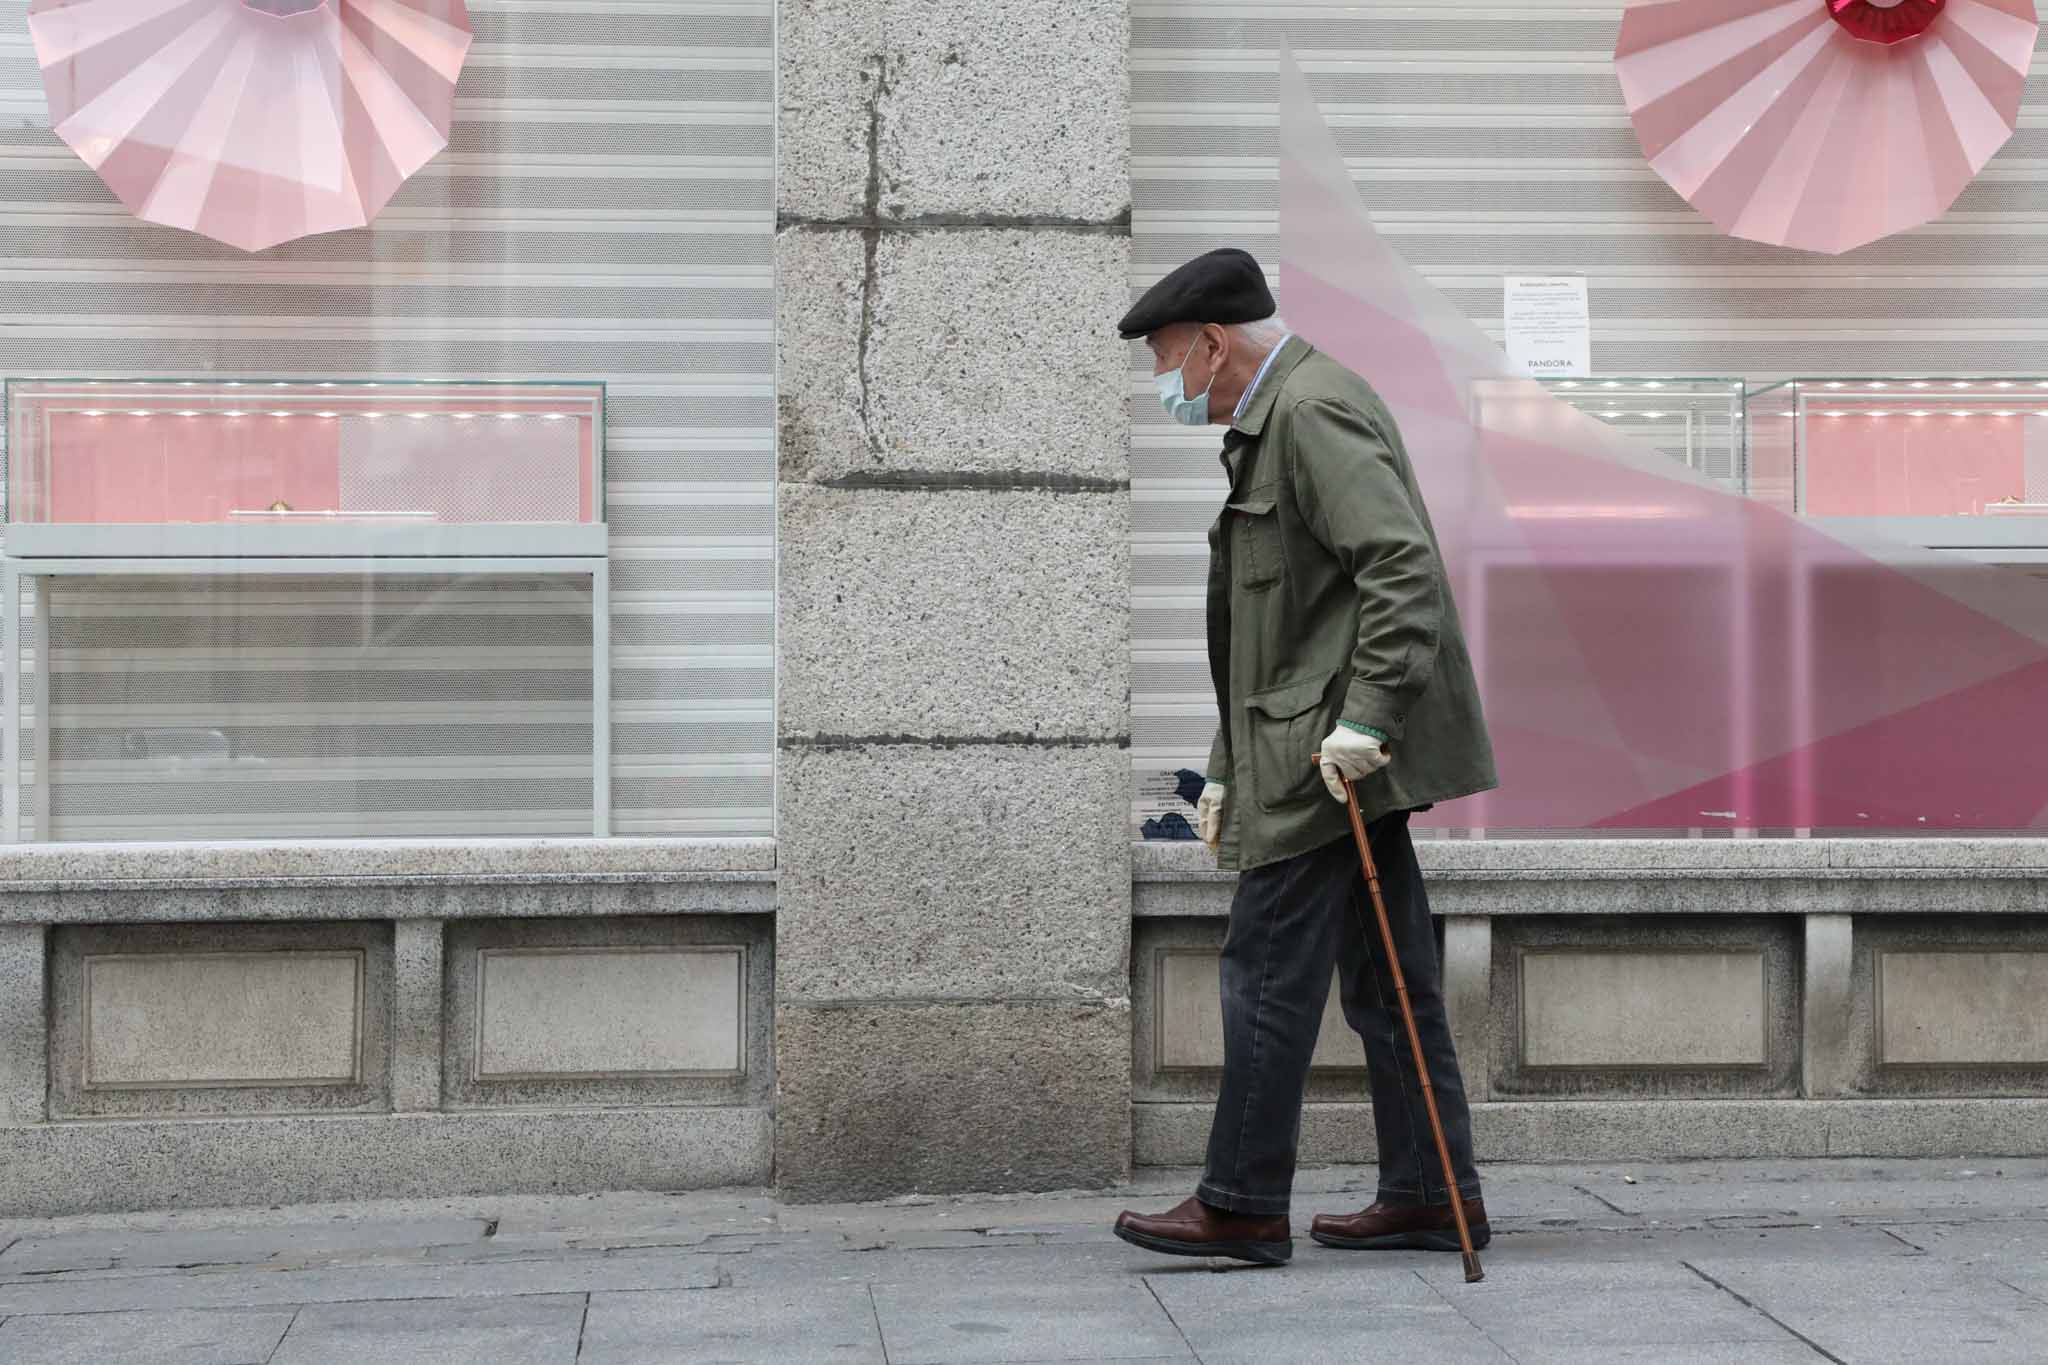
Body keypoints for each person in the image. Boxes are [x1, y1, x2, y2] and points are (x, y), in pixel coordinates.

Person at [1112, 248, 1499, 1266]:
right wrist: (1222, 765)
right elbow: (1272, 631)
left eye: (1164, 357)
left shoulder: (1309, 410)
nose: (1163, 381)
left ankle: (1239, 1203)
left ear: (1209, 342)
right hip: (1304, 748)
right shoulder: (1272, 419)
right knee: (1389, 984)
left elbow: (1398, 565)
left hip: (1326, 760)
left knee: (1265, 975)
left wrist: (1367, 718)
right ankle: (1426, 1193)